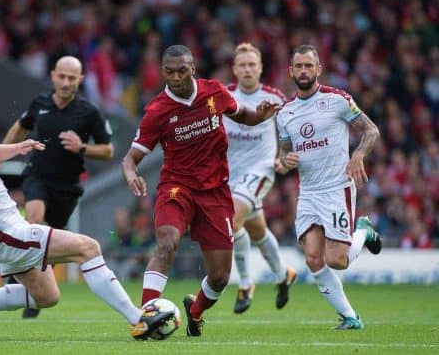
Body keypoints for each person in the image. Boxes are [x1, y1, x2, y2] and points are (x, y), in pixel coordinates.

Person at [0, 93, 172, 340]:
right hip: (5, 234)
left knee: (47, 297)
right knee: (89, 248)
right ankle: (138, 319)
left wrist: (19, 147)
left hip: (10, 228)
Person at [121, 45, 279, 337]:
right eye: (169, 72)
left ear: (192, 68)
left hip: (216, 191)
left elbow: (242, 114)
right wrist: (131, 175)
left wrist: (260, 115)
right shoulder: (157, 111)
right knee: (167, 243)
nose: (176, 77)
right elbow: (131, 158)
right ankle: (145, 316)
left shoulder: (214, 92)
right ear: (163, 72)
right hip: (176, 187)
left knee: (220, 277)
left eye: (182, 70)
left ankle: (195, 312)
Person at [276, 45, 382, 330]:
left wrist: (358, 155)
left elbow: (371, 130)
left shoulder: (337, 100)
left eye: (308, 66)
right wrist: (285, 160)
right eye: (298, 66)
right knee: (312, 257)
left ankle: (364, 231)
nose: (303, 71)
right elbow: (284, 156)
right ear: (291, 71)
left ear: (318, 69)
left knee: (337, 261)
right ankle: (350, 317)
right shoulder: (285, 114)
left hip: (337, 187)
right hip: (309, 193)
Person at [3, 55, 114, 317]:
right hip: (37, 175)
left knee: (49, 240)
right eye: (61, 76)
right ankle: (27, 283)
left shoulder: (89, 112)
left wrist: (82, 147)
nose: (65, 82)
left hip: (67, 187)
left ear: (81, 80)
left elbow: (108, 150)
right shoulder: (39, 103)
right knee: (35, 220)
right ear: (53, 75)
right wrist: (2, 155)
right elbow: (20, 128)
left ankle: (31, 284)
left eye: (71, 78)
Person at [223, 43, 296, 314]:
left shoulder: (275, 98)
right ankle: (282, 274)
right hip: (229, 175)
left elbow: (292, 129)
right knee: (257, 230)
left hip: (261, 170)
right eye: (242, 65)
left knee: (231, 221)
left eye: (252, 64)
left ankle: (244, 283)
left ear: (261, 67)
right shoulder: (224, 96)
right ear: (234, 69)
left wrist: (284, 155)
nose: (247, 69)